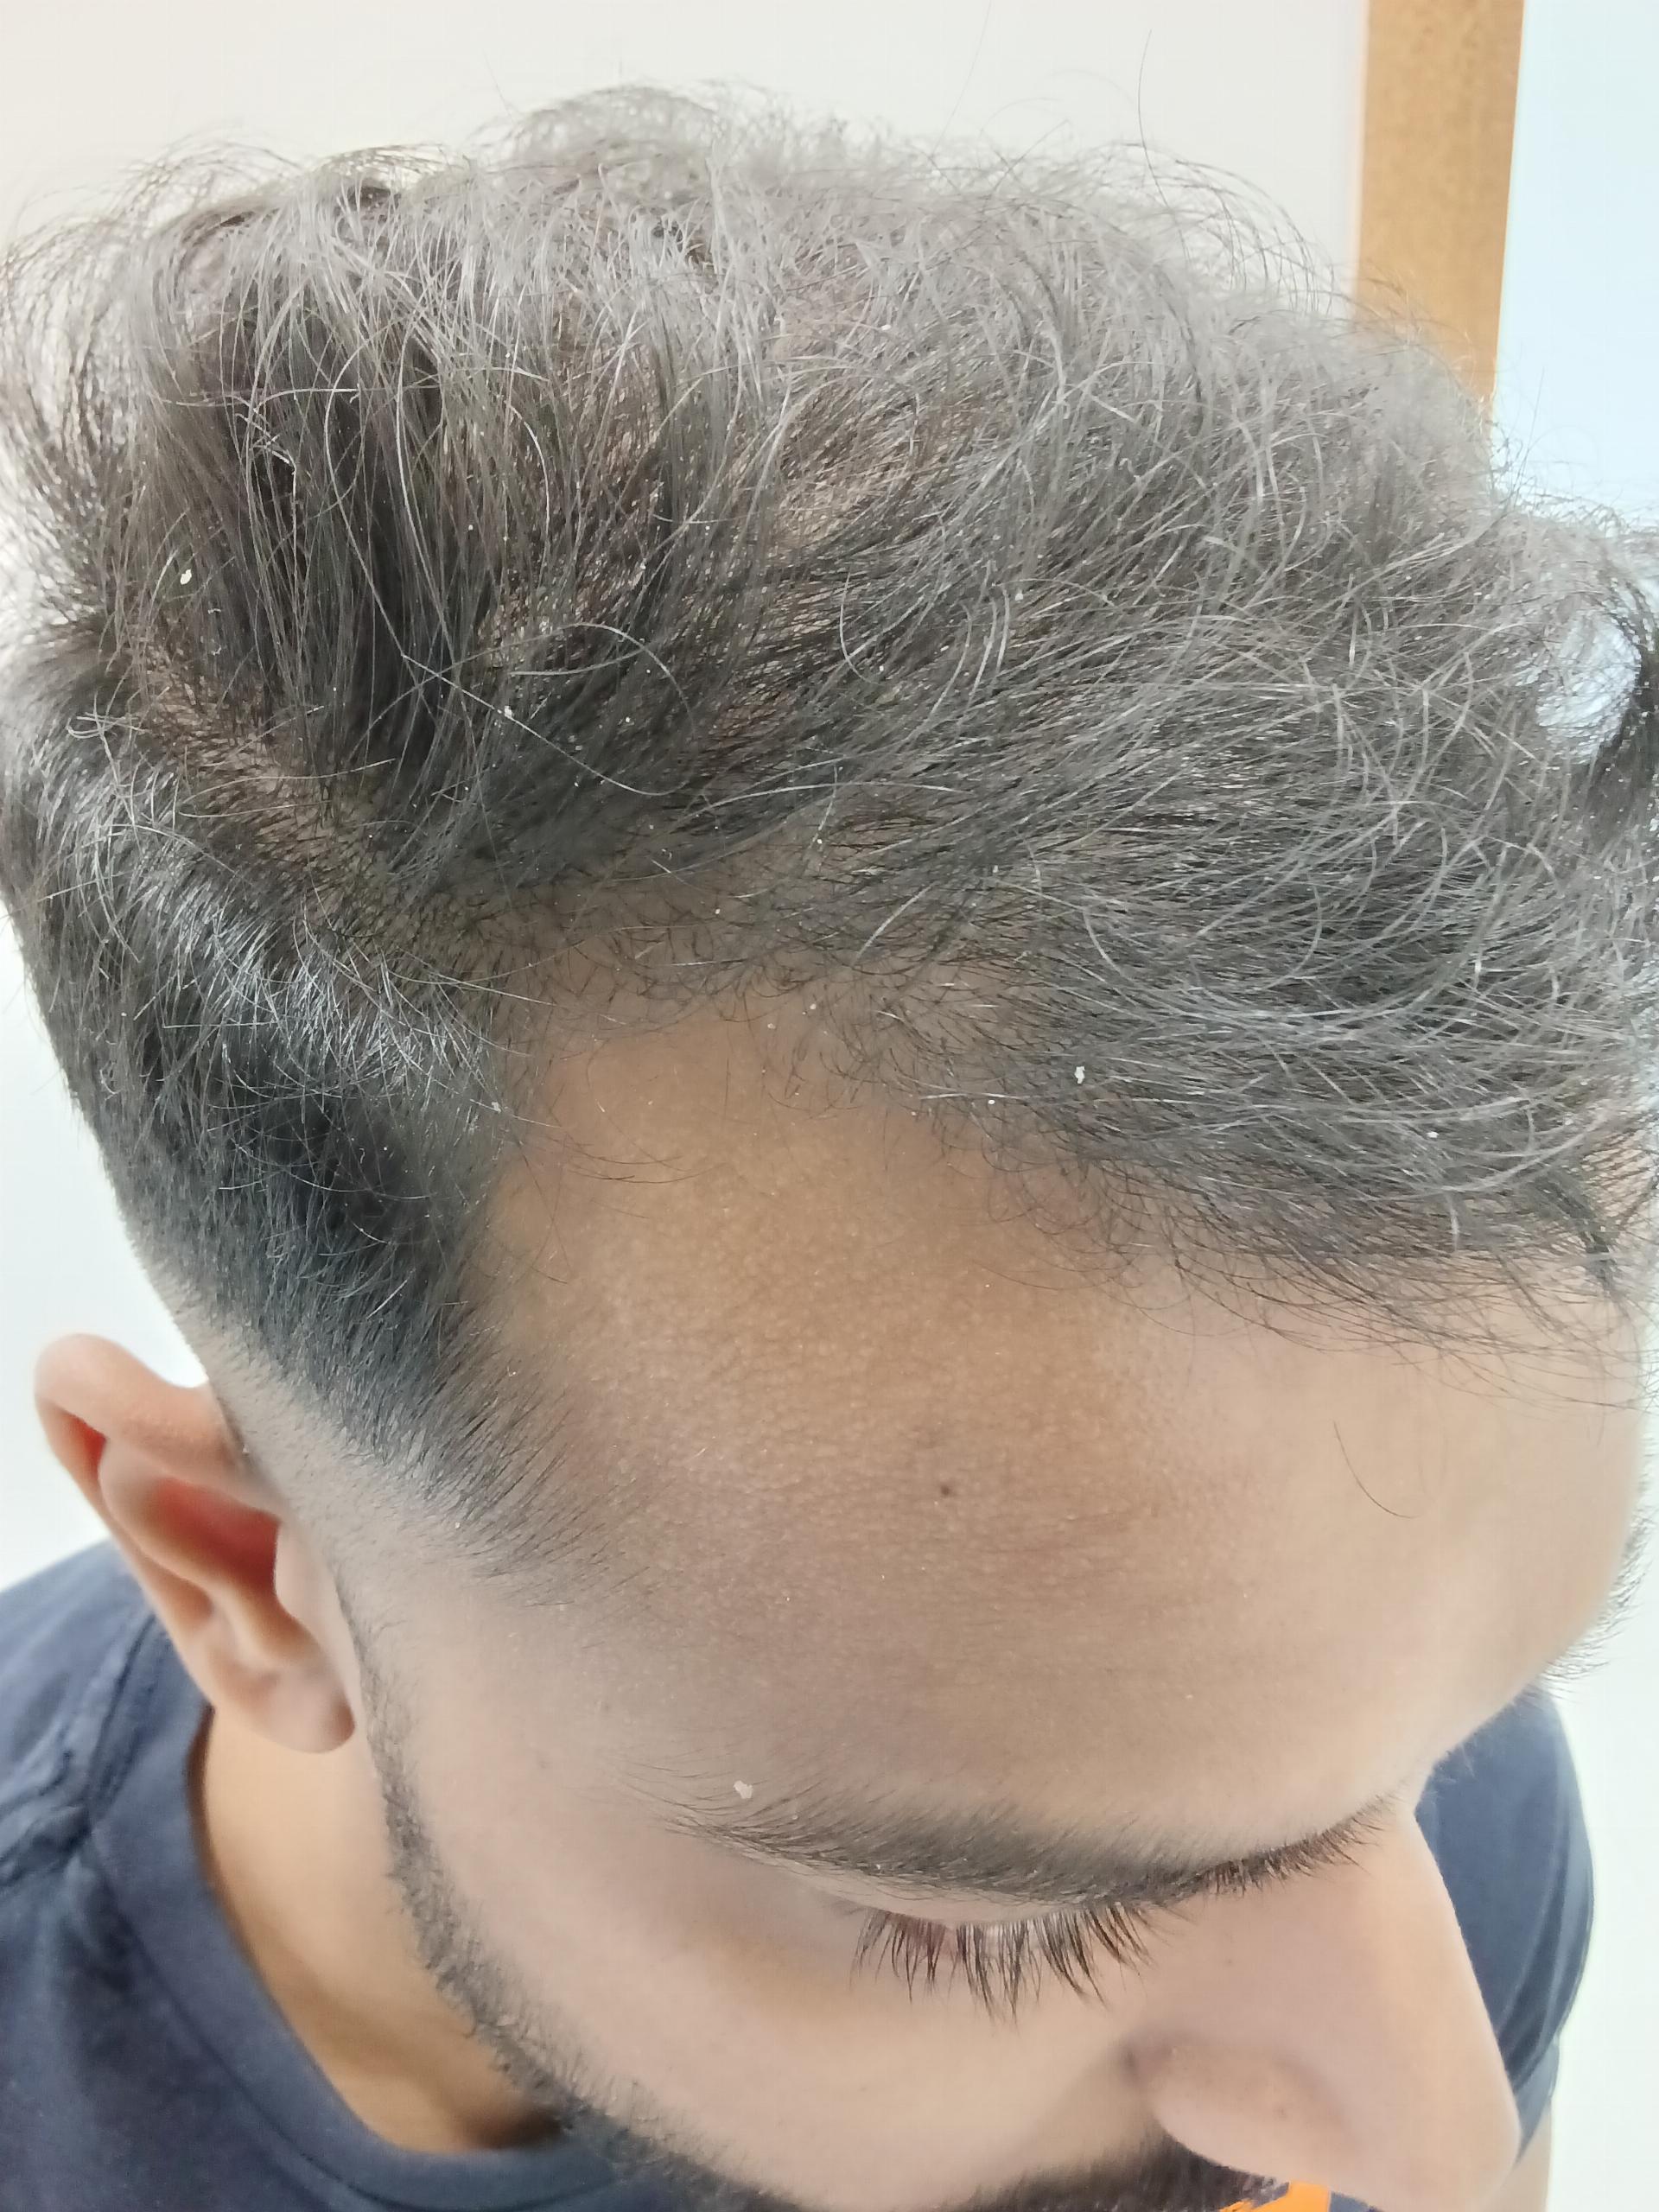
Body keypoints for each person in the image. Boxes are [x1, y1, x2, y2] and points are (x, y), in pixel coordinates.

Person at [0, 86, 1652, 2212]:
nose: (1431, 2127)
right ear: (248, 1580)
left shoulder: (1343, 1754)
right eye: (998, 1926)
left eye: (1456, 1724)